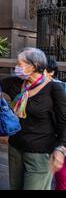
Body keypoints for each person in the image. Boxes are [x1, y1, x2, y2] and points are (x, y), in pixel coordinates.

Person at [0, 48, 66, 190]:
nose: (16, 68)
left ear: (33, 66)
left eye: (20, 64)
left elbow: (64, 122)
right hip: (15, 148)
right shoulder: (15, 83)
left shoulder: (54, 88)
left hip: (40, 153)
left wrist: (61, 149)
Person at [44, 58, 66, 190]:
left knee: (62, 178)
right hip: (47, 137)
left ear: (51, 72)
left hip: (60, 137)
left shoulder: (61, 88)